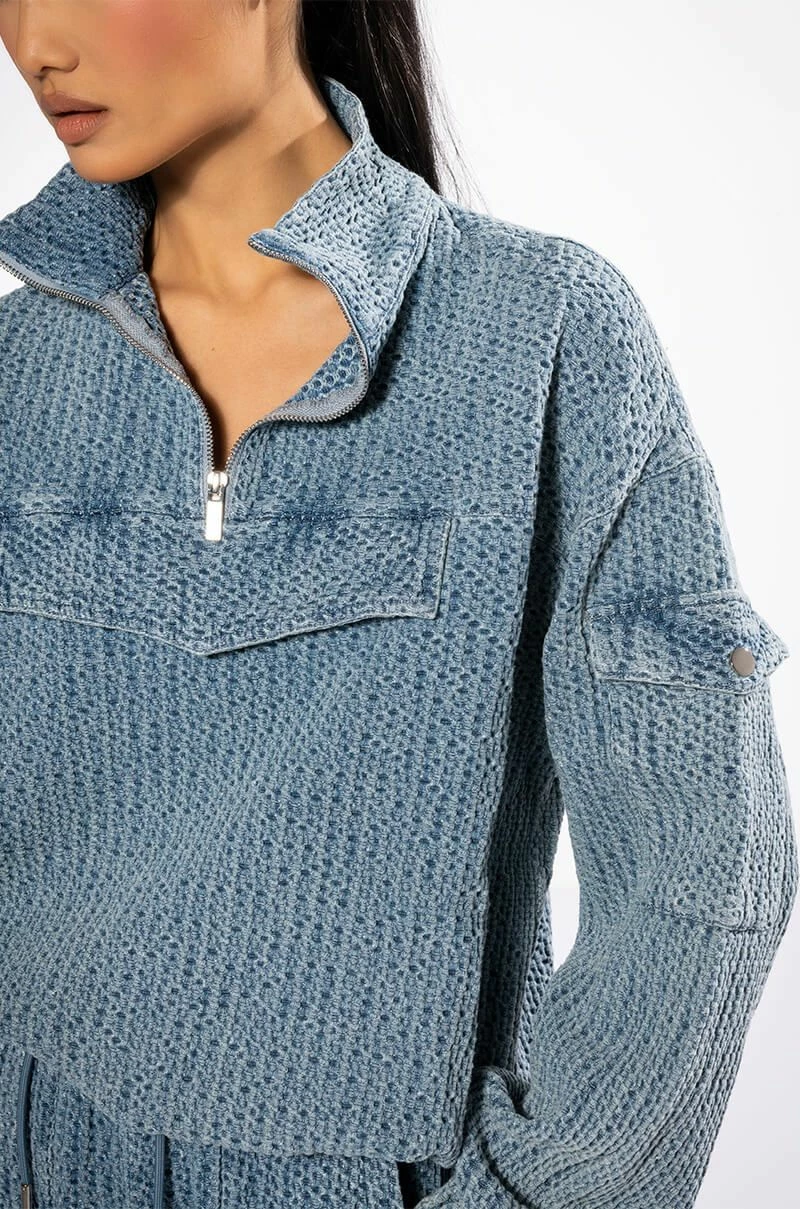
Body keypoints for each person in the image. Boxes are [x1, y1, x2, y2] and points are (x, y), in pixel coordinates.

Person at [0, 2, 795, 1208]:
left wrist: (531, 1194)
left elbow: (699, 870)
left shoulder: (540, 332)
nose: (33, 43)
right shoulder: (24, 364)